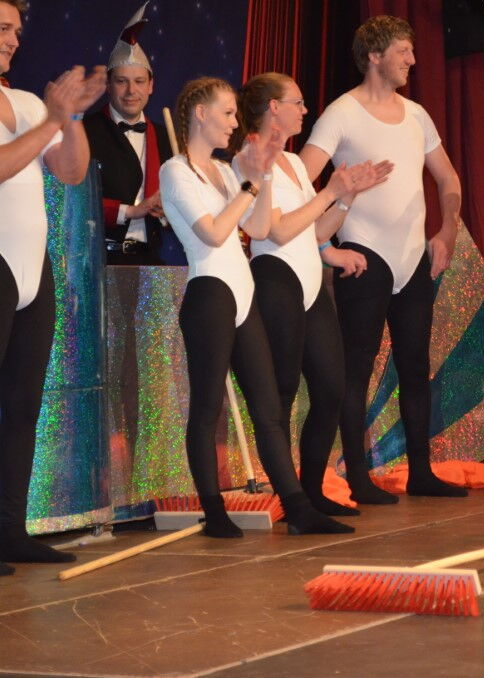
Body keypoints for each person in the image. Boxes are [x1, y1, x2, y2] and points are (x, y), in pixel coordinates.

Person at [159, 77, 352, 537]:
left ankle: (298, 509)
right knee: (207, 408)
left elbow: (260, 227)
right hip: (210, 294)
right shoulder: (175, 170)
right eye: (226, 113)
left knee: (267, 409)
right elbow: (213, 233)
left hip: (245, 294)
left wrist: (260, 178)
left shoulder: (224, 172)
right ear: (200, 114)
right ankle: (214, 512)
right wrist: (250, 184)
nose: (234, 122)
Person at [300, 15, 467, 504]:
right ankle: (358, 478)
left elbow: (448, 179)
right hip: (364, 254)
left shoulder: (417, 115)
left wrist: (448, 228)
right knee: (356, 370)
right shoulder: (341, 114)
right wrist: (327, 243)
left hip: (413, 257)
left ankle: (421, 472)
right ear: (375, 56)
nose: (412, 60)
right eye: (403, 52)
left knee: (415, 367)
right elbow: (300, 180)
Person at [232, 72, 391, 516]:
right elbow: (278, 230)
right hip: (276, 278)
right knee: (281, 394)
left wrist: (346, 197)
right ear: (273, 108)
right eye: (298, 102)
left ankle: (313, 491)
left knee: (331, 388)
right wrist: (331, 193)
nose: (305, 110)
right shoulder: (247, 159)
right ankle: (294, 502)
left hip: (310, 281)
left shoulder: (295, 163)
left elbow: (317, 231)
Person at [0, 0, 106, 573]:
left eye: (17, 30)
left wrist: (73, 118)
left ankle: (8, 531)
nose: (13, 40)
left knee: (22, 406)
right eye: (3, 28)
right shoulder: (35, 113)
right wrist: (52, 118)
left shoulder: (24, 102)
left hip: (29, 268)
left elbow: (69, 171)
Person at [83, 3, 183, 265]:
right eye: (121, 81)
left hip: (150, 259)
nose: (131, 91)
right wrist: (128, 211)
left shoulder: (166, 138)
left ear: (151, 86)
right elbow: (74, 201)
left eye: (139, 82)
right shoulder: (83, 131)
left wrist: (168, 211)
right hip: (97, 260)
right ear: (108, 85)